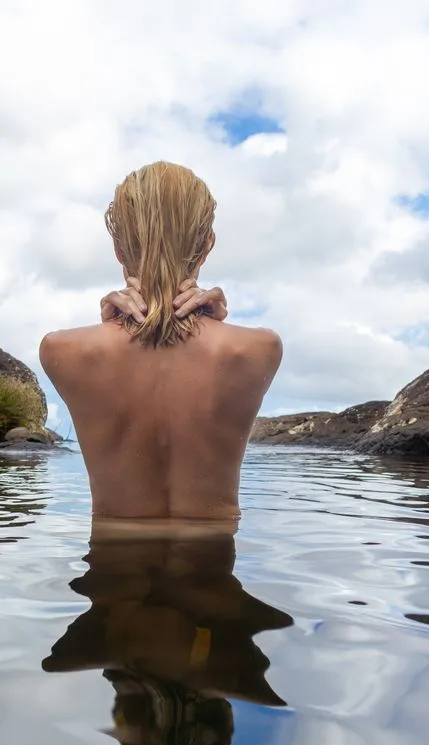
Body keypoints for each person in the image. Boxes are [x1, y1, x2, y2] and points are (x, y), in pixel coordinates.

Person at [39, 161, 283, 523]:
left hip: (113, 570)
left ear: (118, 250)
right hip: (211, 570)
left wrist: (106, 326)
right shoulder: (259, 349)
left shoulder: (62, 350)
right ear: (207, 246)